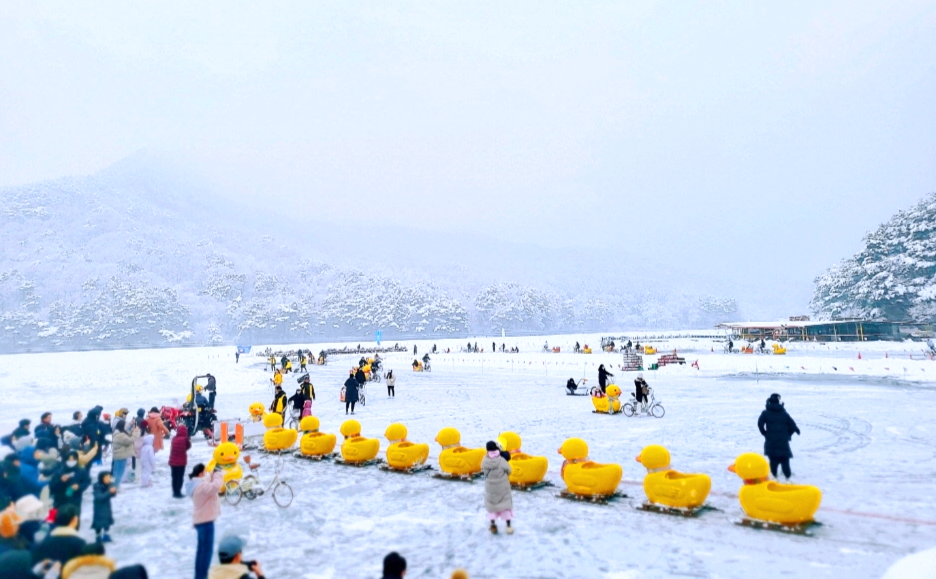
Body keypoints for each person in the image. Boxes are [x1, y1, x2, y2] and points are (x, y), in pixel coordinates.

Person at [192, 464, 225, 579]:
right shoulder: (201, 486)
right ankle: (201, 577)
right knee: (206, 553)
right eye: (205, 472)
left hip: (201, 521)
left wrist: (212, 473)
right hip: (206, 522)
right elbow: (216, 486)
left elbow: (208, 481)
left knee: (201, 551)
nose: (207, 474)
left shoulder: (197, 484)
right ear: (200, 474)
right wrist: (218, 474)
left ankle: (198, 576)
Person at [758, 393, 801, 480]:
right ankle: (788, 480)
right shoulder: (784, 413)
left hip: (771, 441)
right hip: (783, 442)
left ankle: (774, 482)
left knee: (773, 462)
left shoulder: (765, 413)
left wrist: (765, 433)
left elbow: (760, 424)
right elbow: (793, 426)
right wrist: (788, 434)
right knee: (785, 461)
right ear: (779, 402)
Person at [482, 441, 513, 534]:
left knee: (492, 505)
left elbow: (482, 470)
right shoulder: (501, 460)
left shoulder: (484, 460)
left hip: (490, 486)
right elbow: (509, 470)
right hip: (502, 486)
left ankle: (493, 526)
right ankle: (508, 527)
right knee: (505, 504)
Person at [48, 451, 90, 521]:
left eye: (73, 459)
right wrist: (61, 481)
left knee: (73, 521)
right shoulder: (59, 472)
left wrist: (79, 486)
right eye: (69, 459)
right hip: (60, 501)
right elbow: (52, 486)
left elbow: (86, 481)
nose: (71, 461)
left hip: (75, 500)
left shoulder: (81, 471)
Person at [91, 471, 116, 543]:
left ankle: (106, 535)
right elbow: (99, 498)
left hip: (107, 507)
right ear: (101, 478)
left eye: (109, 477)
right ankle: (98, 536)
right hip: (99, 508)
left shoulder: (109, 485)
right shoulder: (97, 487)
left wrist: (113, 491)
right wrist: (109, 492)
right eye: (106, 477)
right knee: (99, 523)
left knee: (107, 521)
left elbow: (112, 495)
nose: (108, 479)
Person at [169, 425, 191, 499]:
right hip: (181, 462)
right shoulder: (185, 439)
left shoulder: (174, 438)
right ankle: (178, 493)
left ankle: (175, 492)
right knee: (180, 477)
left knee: (174, 477)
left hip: (173, 461)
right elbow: (188, 446)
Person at [110, 420, 133, 490]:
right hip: (122, 455)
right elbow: (129, 441)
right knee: (119, 473)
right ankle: (116, 488)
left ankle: (113, 486)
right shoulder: (121, 435)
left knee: (115, 472)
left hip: (116, 455)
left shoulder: (115, 433)